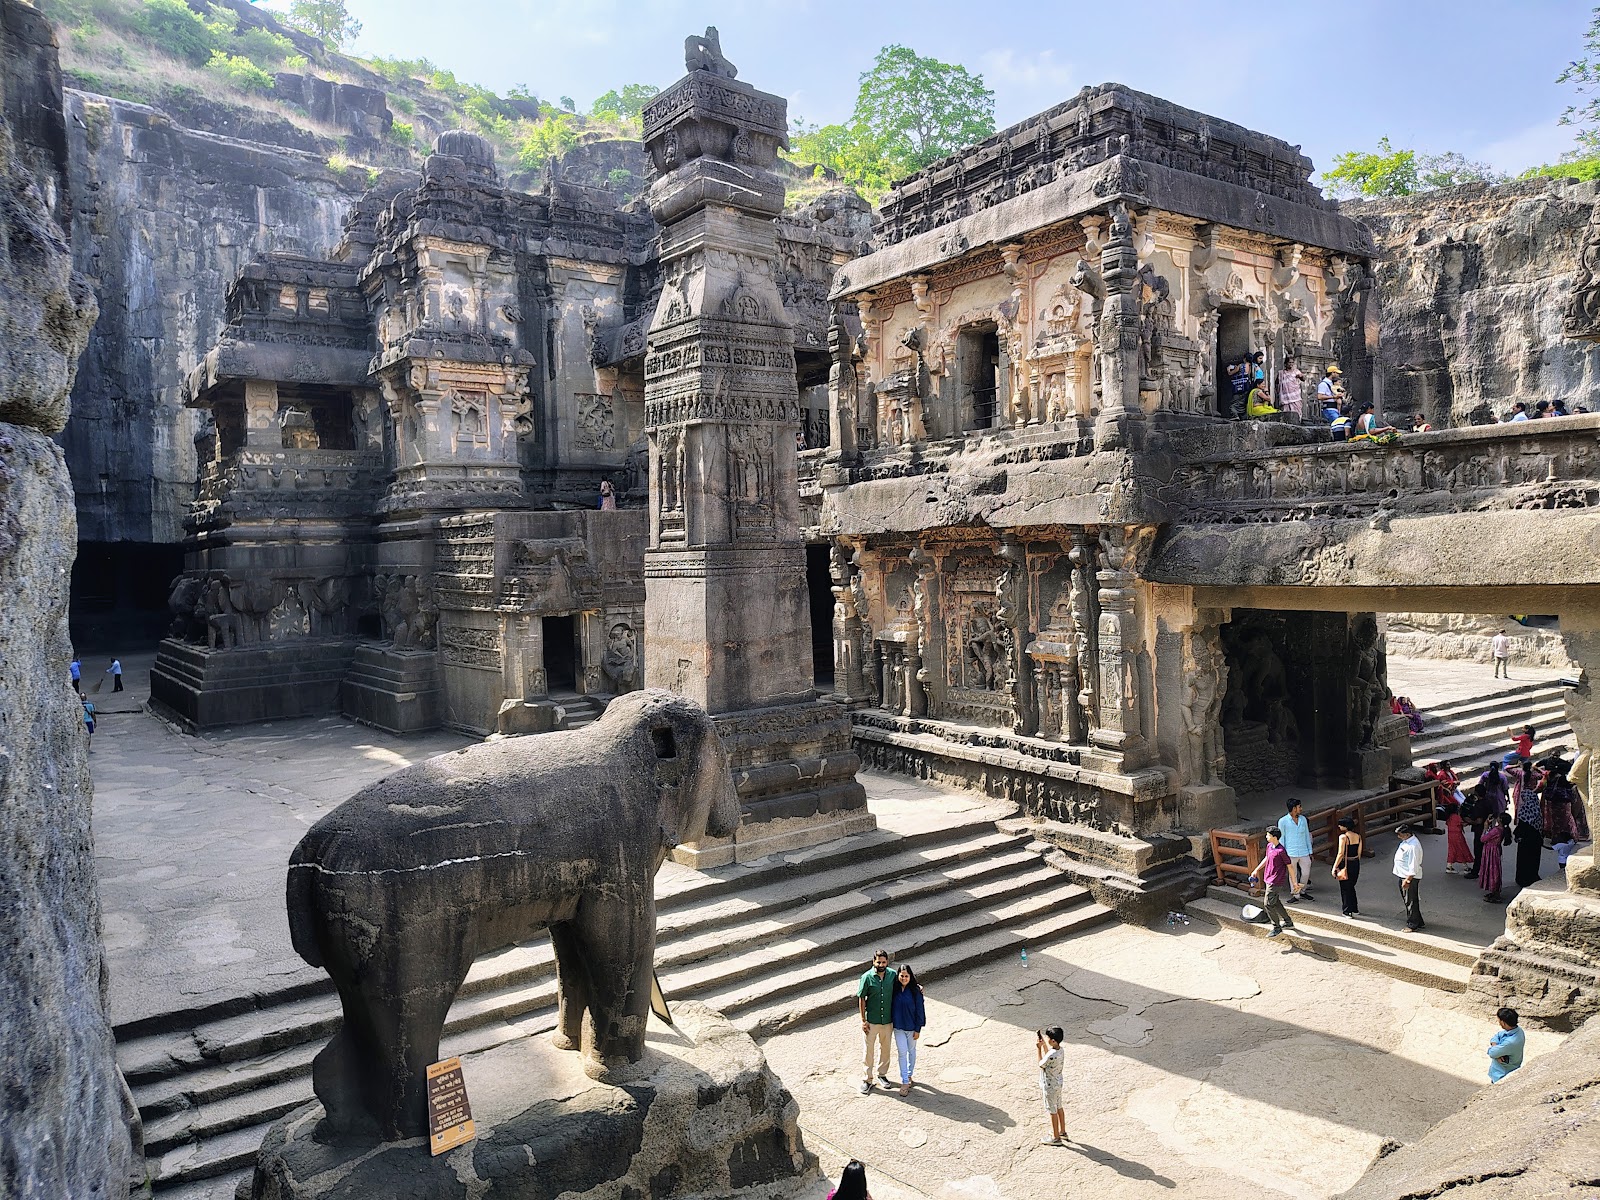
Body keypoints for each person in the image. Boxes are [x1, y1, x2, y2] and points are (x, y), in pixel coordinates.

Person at [857, 949, 895, 1093]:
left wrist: (917, 987)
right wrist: (863, 1020)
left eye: (883, 962)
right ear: (873, 962)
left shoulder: (892, 975)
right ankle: (867, 1079)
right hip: (871, 1020)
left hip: (887, 1019)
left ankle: (882, 1074)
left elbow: (905, 983)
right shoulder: (866, 977)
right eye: (878, 962)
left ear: (887, 962)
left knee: (885, 1048)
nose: (881, 964)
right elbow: (861, 998)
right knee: (868, 1050)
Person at [1248, 826, 1296, 937]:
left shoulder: (1281, 851)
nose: (1266, 837)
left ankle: (1276, 927)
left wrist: (1294, 882)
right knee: (1275, 901)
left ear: (1274, 837)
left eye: (1268, 835)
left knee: (1268, 904)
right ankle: (1288, 922)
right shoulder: (1269, 846)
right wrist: (1256, 869)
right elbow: (1267, 858)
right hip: (1268, 878)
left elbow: (1290, 866)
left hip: (1276, 881)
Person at [890, 963, 926, 1096]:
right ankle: (904, 1081)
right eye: (901, 975)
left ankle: (910, 1074)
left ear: (910, 977)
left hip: (912, 1028)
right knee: (902, 1052)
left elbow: (920, 1011)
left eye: (906, 976)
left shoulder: (915, 991)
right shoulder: (894, 989)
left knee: (911, 1051)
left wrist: (918, 1029)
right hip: (898, 1027)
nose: (904, 978)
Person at [1036, 1026, 1068, 1145]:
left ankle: (1055, 1138)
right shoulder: (1060, 1050)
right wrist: (1044, 1045)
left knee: (1052, 1110)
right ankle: (1062, 1131)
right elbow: (1049, 1056)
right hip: (1058, 1083)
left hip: (1049, 1086)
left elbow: (1041, 1063)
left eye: (1048, 1038)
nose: (1047, 1039)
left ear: (1053, 1040)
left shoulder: (1051, 1054)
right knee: (1059, 1106)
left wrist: (1038, 1049)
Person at [1279, 798, 1314, 903]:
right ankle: (1296, 894)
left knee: (1306, 873)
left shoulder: (1303, 819)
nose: (1301, 809)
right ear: (1294, 808)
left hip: (1304, 851)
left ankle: (1302, 890)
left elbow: (1307, 836)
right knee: (1292, 875)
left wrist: (1310, 851)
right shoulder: (1283, 821)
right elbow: (1282, 838)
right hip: (1291, 852)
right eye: (1299, 807)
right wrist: (1282, 853)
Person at [1393, 822, 1425, 931]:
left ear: (1407, 834)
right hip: (1403, 874)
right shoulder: (1407, 842)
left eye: (1400, 834)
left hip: (1408, 876)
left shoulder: (1413, 846)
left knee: (1410, 900)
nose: (1398, 837)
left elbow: (1413, 864)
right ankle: (1418, 920)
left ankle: (1412, 923)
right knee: (1410, 899)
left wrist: (1408, 879)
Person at [1513, 779, 1544, 888]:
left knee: (1523, 860)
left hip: (1525, 841)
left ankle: (1522, 878)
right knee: (1533, 860)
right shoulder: (1537, 810)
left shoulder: (1524, 811)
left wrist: (1516, 835)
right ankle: (1532, 876)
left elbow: (1521, 826)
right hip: (1535, 840)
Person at [1332, 815, 1363, 916]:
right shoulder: (1358, 836)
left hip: (1345, 863)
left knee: (1345, 888)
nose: (1339, 827)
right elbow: (1359, 853)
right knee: (1351, 886)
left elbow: (1340, 853)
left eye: (1341, 825)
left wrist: (1335, 866)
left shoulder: (1343, 837)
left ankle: (1347, 910)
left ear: (1345, 826)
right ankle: (1355, 908)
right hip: (1355, 863)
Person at [1486, 1008, 1526, 1082]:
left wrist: (1496, 1052)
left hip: (1502, 1075)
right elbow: (1497, 1036)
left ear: (1503, 1023)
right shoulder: (1518, 1030)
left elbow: (1492, 1053)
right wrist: (1496, 1049)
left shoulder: (1510, 1042)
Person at [1444, 787, 1474, 874]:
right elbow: (1463, 823)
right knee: (1462, 849)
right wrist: (1470, 822)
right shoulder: (1457, 817)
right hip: (1458, 836)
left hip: (1451, 837)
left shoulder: (1449, 818)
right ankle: (1465, 867)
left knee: (1452, 850)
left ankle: (1449, 866)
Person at [1479, 813, 1505, 903]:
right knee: (1494, 870)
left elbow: (1483, 839)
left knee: (1491, 871)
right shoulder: (1501, 830)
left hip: (1491, 852)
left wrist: (1485, 827)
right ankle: (1494, 891)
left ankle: (1495, 892)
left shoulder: (1496, 831)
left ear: (1500, 820)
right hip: (1495, 851)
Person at [1276, 356, 1304, 422]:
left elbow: (1303, 379)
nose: (1291, 364)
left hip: (1295, 397)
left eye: (1292, 362)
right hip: (1285, 397)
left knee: (1297, 411)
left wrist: (1301, 376)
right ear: (1285, 364)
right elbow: (1277, 383)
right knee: (1286, 413)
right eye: (1289, 362)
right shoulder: (1281, 373)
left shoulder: (1296, 372)